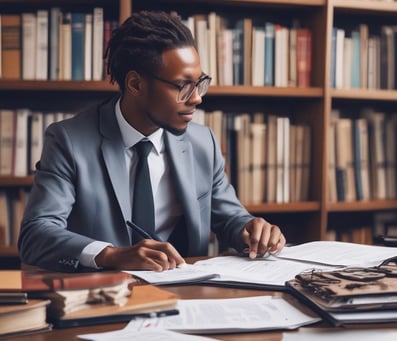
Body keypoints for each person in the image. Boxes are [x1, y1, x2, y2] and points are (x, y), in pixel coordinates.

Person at [18, 11, 286, 272]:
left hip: (189, 295)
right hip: (107, 298)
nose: (196, 99)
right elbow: (36, 234)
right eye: (183, 86)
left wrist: (251, 229)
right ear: (135, 84)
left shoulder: (204, 142)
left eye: (199, 83)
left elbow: (230, 219)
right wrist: (112, 255)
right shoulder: (69, 141)